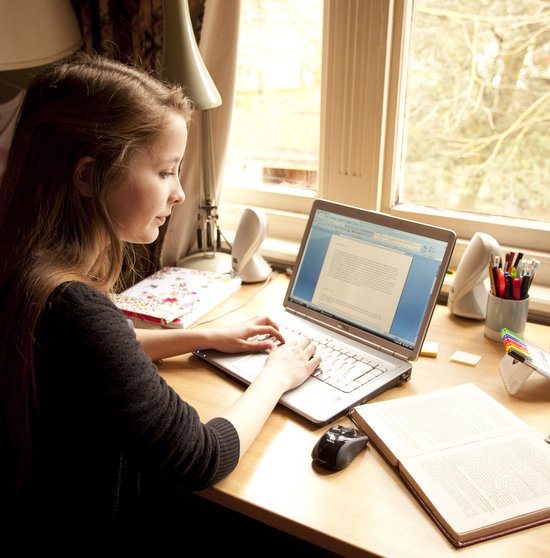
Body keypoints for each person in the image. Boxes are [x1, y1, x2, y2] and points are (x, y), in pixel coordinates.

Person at [0, 52, 324, 552]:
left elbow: (101, 350)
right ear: (88, 176)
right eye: (166, 171)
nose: (179, 193)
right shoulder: (76, 309)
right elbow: (202, 457)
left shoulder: (26, 267)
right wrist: (278, 375)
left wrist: (203, 337)